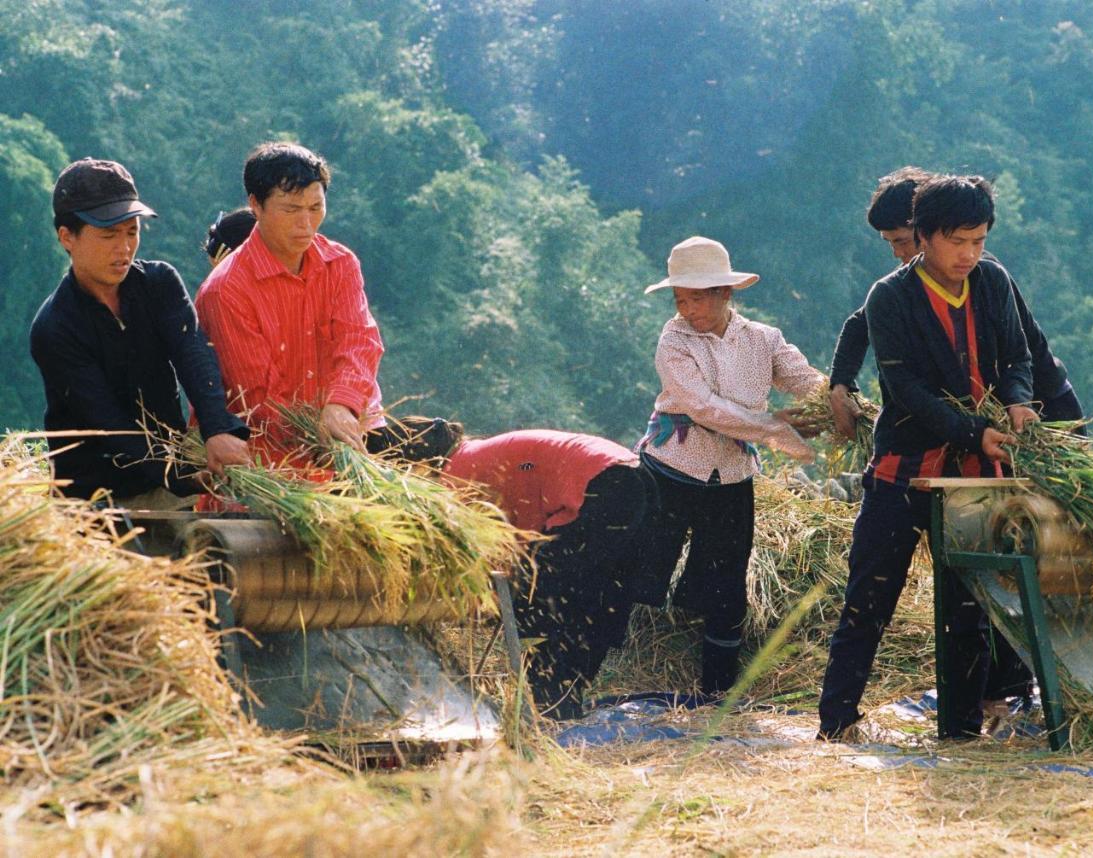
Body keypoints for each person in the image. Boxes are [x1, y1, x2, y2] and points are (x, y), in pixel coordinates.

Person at [817, 176, 1037, 741]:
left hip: (973, 478)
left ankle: (961, 734)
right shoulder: (889, 297)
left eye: (979, 241)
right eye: (958, 241)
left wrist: (1015, 402)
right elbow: (906, 389)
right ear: (926, 236)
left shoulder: (991, 281)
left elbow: (1017, 355)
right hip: (904, 472)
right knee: (869, 597)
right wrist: (973, 432)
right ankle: (836, 722)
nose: (970, 255)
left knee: (969, 606)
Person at [634, 236, 824, 697]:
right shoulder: (674, 341)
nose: (688, 309)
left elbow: (804, 379)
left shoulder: (763, 340)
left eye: (697, 298)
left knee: (726, 582)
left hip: (731, 477)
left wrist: (838, 404)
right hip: (671, 467)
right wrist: (773, 428)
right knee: (642, 568)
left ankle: (718, 691)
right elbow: (704, 408)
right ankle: (616, 664)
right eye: (681, 299)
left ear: (725, 293)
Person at [29, 158, 250, 505]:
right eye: (108, 235)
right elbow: (107, 425)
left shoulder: (159, 283)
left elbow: (193, 353)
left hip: (171, 481)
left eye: (132, 231)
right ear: (67, 237)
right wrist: (180, 476)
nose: (124, 248)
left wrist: (218, 429)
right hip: (97, 498)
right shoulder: (55, 327)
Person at [418, 421, 655, 720]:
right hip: (635, 478)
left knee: (541, 601)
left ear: (417, 465)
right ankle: (564, 700)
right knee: (601, 598)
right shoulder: (476, 454)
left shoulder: (453, 478)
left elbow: (500, 553)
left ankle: (550, 707)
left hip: (603, 487)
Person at [828, 166, 1083, 441]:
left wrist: (1016, 404)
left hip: (1040, 405)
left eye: (901, 241)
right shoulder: (906, 287)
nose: (897, 253)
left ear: (924, 230)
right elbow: (862, 323)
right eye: (889, 243)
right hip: (991, 423)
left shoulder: (980, 274)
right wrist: (840, 385)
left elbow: (1017, 358)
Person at [195, 142, 385, 464]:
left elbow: (359, 340)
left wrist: (341, 403)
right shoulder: (226, 291)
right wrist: (321, 440)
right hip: (265, 465)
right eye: (291, 210)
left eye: (315, 208)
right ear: (255, 205)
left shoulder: (340, 264)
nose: (306, 224)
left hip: (347, 440)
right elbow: (259, 400)